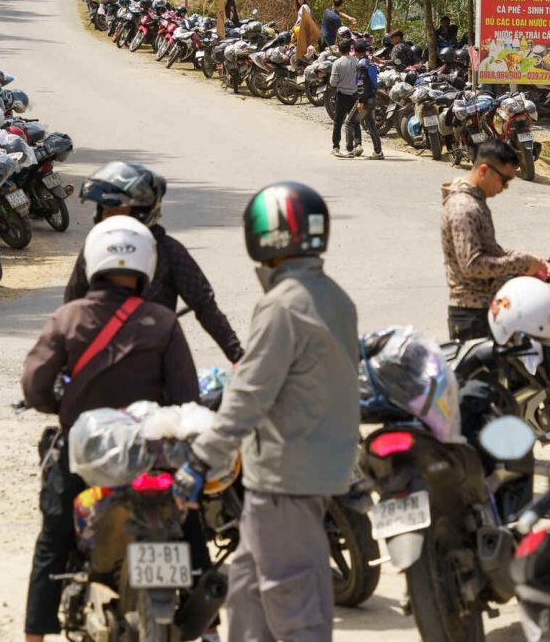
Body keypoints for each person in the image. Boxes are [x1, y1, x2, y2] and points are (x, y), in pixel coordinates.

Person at [173, 182, 360, 642]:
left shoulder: (282, 306)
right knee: (248, 595)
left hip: (285, 479)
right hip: (313, 468)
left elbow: (248, 394)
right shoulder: (334, 297)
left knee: (295, 603)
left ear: (263, 237)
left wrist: (202, 459)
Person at [21, 216, 199, 642]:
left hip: (84, 456)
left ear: (93, 262)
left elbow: (35, 387)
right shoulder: (163, 321)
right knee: (190, 524)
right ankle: (208, 625)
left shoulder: (68, 318)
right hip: (150, 457)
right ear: (146, 265)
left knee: (54, 539)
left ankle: (34, 636)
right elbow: (186, 396)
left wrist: (66, 412)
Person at [64, 162, 244, 363]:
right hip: (99, 362)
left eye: (116, 210)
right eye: (105, 210)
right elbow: (72, 308)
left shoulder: (168, 251)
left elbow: (204, 306)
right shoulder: (94, 250)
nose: (108, 218)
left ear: (141, 211)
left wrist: (238, 358)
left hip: (152, 361)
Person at [441, 139, 550, 340]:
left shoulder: (475, 201)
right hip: (472, 315)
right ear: (484, 170)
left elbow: (490, 250)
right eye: (504, 179)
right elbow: (473, 265)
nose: (505, 187)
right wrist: (520, 263)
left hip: (486, 309)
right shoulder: (464, 207)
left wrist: (529, 260)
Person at [344, 39, 383, 159]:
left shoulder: (361, 64)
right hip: (372, 97)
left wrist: (360, 101)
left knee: (349, 122)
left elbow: (361, 84)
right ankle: (378, 152)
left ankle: (350, 150)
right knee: (371, 125)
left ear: (356, 51)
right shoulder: (370, 62)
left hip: (365, 99)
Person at [329, 38, 358, 157]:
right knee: (353, 122)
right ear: (350, 49)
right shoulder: (357, 61)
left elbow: (333, 82)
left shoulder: (337, 63)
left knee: (338, 122)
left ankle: (336, 147)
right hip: (355, 95)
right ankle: (354, 147)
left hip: (342, 95)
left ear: (340, 50)